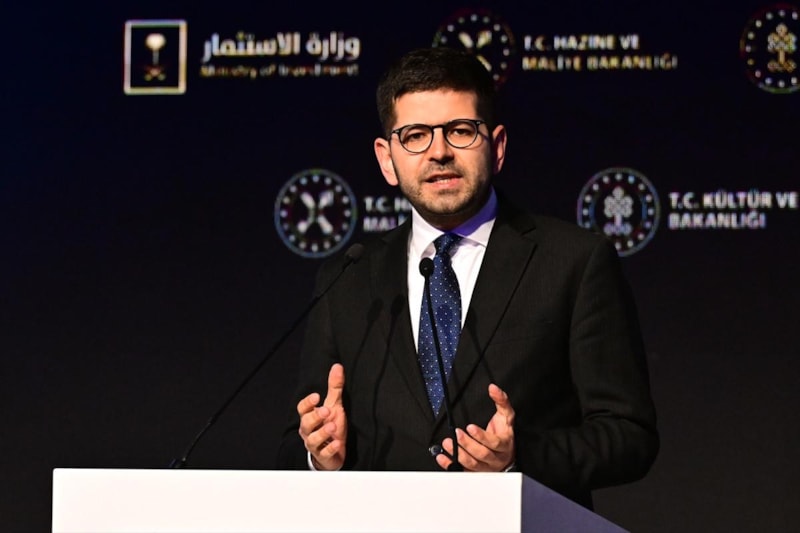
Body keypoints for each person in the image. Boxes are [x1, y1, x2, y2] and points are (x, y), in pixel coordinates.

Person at [276, 46, 658, 508]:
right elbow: (296, 441)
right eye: (415, 135)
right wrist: (320, 457)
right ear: (386, 159)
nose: (439, 152)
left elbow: (628, 436)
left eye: (460, 131)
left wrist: (519, 456)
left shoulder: (573, 262)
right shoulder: (348, 279)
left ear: (497, 147)